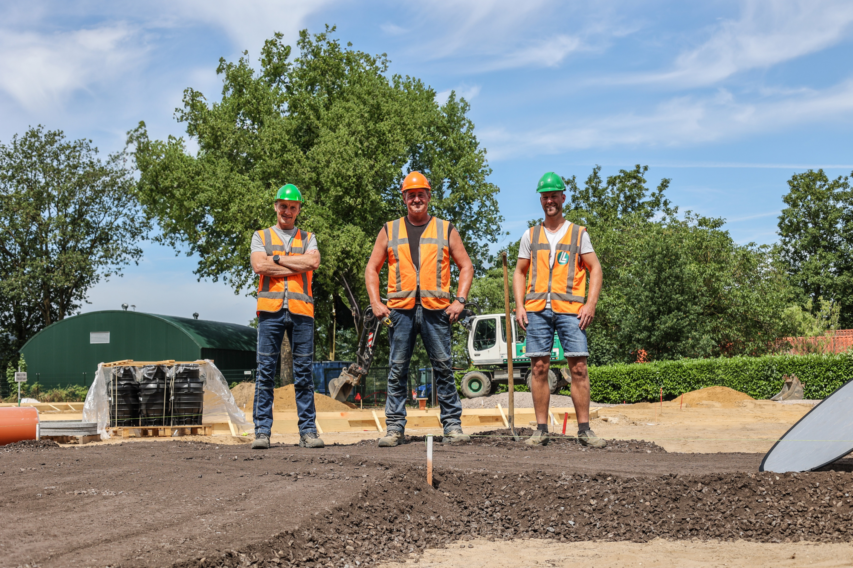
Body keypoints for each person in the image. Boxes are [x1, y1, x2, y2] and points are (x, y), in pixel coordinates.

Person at [365, 171, 474, 446]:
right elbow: (372, 268)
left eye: (420, 194)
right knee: (396, 369)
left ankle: (452, 427)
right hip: (399, 311)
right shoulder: (389, 229)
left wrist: (460, 300)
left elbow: (466, 266)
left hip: (436, 310)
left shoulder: (445, 229)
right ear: (404, 198)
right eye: (411, 195)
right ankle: (394, 429)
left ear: (428, 196)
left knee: (444, 368)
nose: (416, 199)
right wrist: (376, 302)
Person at [512, 172, 606, 448]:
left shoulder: (578, 234)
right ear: (540, 200)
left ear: (563, 197)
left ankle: (584, 430)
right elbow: (519, 272)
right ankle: (541, 430)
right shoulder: (530, 235)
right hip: (537, 310)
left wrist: (590, 304)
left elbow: (595, 268)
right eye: (545, 197)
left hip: (571, 310)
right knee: (539, 369)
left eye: (554, 195)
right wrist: (519, 306)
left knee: (579, 368)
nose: (549, 201)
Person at [249, 184, 322, 450]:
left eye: (292, 207)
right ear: (275, 206)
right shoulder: (261, 236)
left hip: (302, 311)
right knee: (265, 372)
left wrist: (277, 260)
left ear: (298, 209)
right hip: (270, 311)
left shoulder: (309, 237)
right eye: (283, 206)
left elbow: (312, 263)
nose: (287, 211)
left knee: (303, 374)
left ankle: (308, 432)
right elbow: (260, 265)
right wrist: (295, 262)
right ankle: (262, 432)